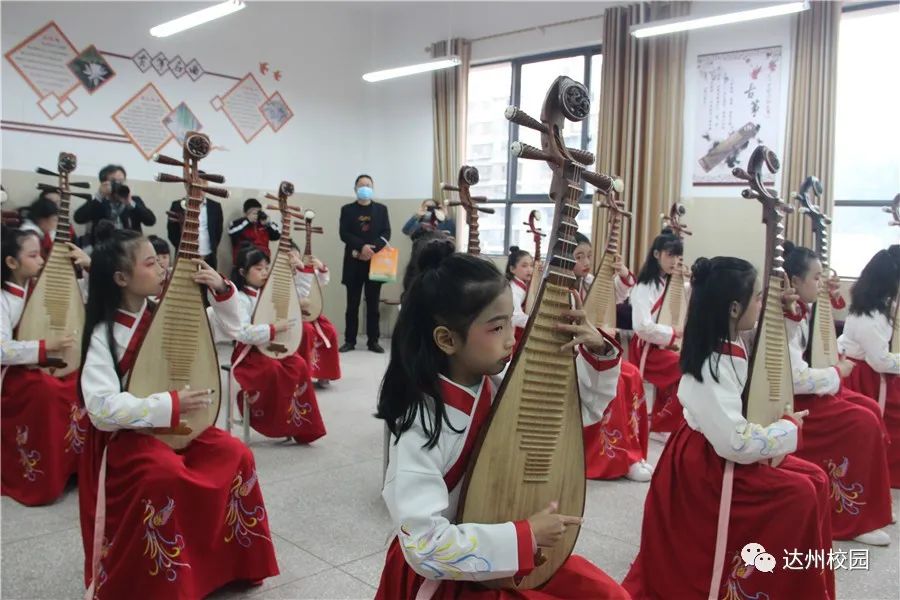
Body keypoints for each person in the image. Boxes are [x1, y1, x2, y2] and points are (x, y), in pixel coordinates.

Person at [374, 243, 628, 598]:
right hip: (453, 577)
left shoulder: (498, 384)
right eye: (496, 328)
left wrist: (596, 350)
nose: (512, 337)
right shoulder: (422, 424)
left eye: (512, 320)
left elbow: (577, 416)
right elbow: (424, 546)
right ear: (447, 339)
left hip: (511, 552)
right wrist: (525, 535)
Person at [78, 231, 278, 598]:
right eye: (151, 262)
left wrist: (222, 289)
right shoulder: (102, 335)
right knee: (164, 474)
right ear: (121, 278)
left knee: (236, 454)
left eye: (161, 260)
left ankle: (229, 565)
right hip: (132, 437)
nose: (162, 268)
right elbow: (100, 409)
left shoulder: (170, 315)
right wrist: (166, 405)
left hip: (183, 429)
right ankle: (166, 578)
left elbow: (233, 329)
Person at [622, 257, 835, 600]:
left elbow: (768, 348)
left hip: (716, 453)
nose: (761, 305)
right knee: (801, 494)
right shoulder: (712, 362)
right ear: (734, 308)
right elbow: (734, 443)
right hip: (706, 470)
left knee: (818, 480)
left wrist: (781, 312)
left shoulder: (729, 337)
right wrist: (785, 429)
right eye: (758, 299)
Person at [780, 242, 892, 544]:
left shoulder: (801, 309)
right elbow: (794, 377)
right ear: (794, 281)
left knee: (869, 410)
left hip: (821, 383)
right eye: (815, 277)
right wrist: (835, 373)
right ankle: (854, 516)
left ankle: (872, 506)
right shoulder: (783, 317)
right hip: (794, 399)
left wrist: (826, 292)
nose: (820, 282)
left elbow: (824, 314)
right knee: (862, 422)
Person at [1, 227, 88, 506]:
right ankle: (42, 475)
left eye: (42, 254)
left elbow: (81, 301)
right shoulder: (4, 299)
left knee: (80, 383)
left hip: (46, 366)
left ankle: (73, 467)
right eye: (33, 255)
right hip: (14, 374)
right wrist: (42, 347)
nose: (42, 261)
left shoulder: (40, 288)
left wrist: (87, 268)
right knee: (47, 391)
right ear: (11, 263)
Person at [209, 243, 326, 443]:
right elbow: (242, 333)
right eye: (258, 268)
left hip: (273, 348)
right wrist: (273, 329)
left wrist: (300, 268)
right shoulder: (239, 299)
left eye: (266, 267)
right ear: (243, 272)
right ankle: (270, 418)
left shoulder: (270, 292)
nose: (264, 272)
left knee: (298, 365)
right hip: (250, 354)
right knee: (272, 370)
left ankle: (294, 422)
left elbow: (300, 296)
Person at [572, 232, 651, 482]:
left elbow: (618, 294)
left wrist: (623, 273)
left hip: (594, 353)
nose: (585, 261)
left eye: (588, 256)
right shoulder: (559, 287)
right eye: (578, 256)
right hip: (571, 356)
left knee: (632, 373)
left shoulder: (589, 282)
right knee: (615, 380)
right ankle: (615, 456)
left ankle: (632, 452)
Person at [838, 248, 900, 488]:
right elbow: (880, 361)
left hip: (871, 372)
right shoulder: (870, 316)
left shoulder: (877, 306)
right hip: (862, 377)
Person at [629, 229, 686, 433]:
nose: (674, 261)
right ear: (656, 254)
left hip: (660, 344)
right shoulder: (644, 286)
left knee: (680, 368)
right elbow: (642, 326)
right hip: (646, 349)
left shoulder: (668, 282)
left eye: (678, 256)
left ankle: (662, 421)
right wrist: (672, 332)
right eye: (669, 255)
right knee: (685, 367)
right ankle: (663, 422)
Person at [339, 174, 391, 353]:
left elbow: (386, 233)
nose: (365, 188)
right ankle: (349, 340)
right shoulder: (347, 210)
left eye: (368, 185)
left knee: (373, 305)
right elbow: (344, 234)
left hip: (375, 263)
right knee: (352, 305)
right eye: (361, 185)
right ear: (355, 189)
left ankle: (373, 341)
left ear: (373, 188)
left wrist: (372, 249)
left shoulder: (381, 210)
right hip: (353, 262)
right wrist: (361, 248)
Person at [292, 245, 341, 387]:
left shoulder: (305, 272)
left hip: (309, 314)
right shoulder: (279, 275)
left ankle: (324, 374)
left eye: (296, 255)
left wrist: (321, 267)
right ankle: (303, 374)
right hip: (291, 317)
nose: (294, 259)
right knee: (307, 331)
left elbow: (323, 280)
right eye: (290, 256)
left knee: (329, 330)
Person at [73, 164, 156, 248]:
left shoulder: (134, 200)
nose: (118, 185)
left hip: (130, 250)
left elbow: (151, 221)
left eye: (121, 182)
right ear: (103, 183)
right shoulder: (98, 202)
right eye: (114, 182)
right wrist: (99, 196)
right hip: (104, 250)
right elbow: (78, 218)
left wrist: (130, 203)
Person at [167, 196, 223, 269]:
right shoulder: (177, 205)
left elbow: (218, 233)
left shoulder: (215, 206)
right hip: (185, 259)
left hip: (208, 259)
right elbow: (172, 234)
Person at [228, 199, 281, 264]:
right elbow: (232, 233)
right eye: (253, 213)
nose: (256, 215)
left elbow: (277, 236)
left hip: (262, 264)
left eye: (258, 212)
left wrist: (268, 223)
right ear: (245, 213)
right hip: (244, 264)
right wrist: (247, 221)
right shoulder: (239, 223)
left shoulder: (263, 224)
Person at [505, 245, 534, 348]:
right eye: (524, 266)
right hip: (513, 334)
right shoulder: (514, 289)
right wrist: (535, 321)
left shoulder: (522, 285)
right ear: (512, 269)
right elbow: (515, 317)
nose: (530, 269)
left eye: (531, 265)